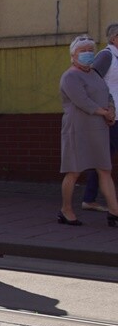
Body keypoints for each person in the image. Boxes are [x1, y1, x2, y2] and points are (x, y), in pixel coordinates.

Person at [58, 35, 118, 226]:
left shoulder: (95, 74)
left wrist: (111, 110)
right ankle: (66, 210)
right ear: (73, 55)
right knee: (74, 171)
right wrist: (104, 112)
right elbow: (82, 101)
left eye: (89, 50)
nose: (87, 54)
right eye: (82, 51)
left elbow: (106, 94)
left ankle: (114, 212)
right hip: (77, 129)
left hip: (98, 128)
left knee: (105, 169)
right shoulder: (70, 76)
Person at [83, 22, 118, 211]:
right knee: (104, 158)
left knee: (104, 158)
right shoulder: (106, 55)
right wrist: (101, 109)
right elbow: (91, 81)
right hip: (110, 116)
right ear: (115, 38)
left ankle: (89, 198)